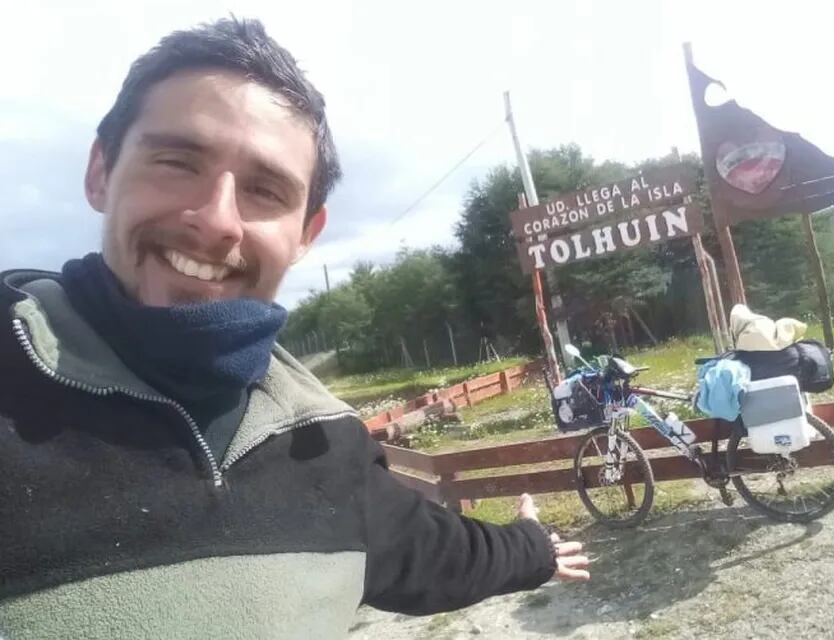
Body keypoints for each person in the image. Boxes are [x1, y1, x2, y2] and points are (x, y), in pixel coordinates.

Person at [0, 18, 588, 639]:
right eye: (176, 161)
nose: (218, 220)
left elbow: (431, 551)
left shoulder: (324, 440)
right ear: (100, 173)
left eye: (265, 189)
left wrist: (533, 550)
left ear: (306, 234)